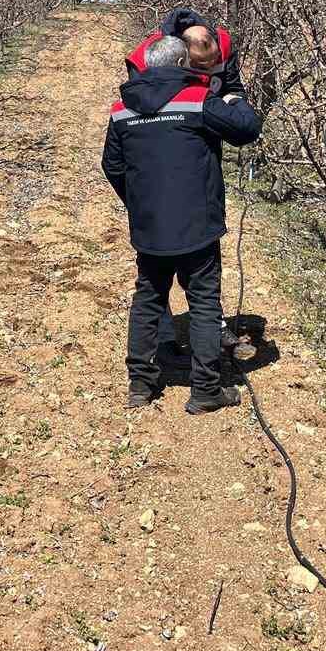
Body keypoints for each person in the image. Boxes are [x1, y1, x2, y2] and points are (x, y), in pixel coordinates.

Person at [101, 32, 262, 413]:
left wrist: (140, 204)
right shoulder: (196, 100)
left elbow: (112, 166)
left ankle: (141, 384)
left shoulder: (121, 109)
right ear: (179, 65)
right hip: (197, 225)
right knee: (204, 304)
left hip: (150, 227)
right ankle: (204, 391)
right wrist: (235, 98)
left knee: (148, 299)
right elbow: (248, 128)